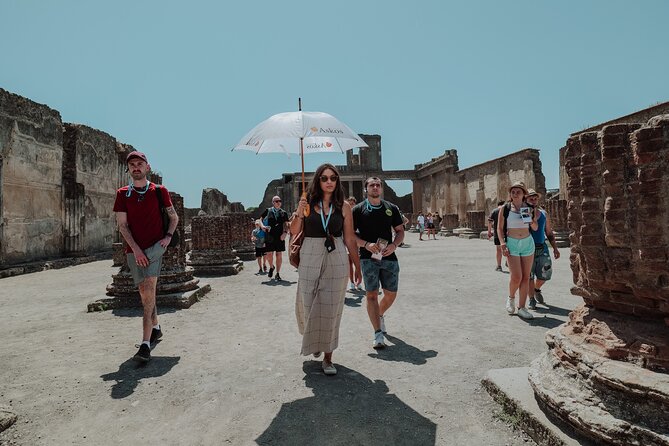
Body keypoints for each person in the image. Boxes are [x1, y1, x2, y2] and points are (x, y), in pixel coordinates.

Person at [291, 164, 361, 376]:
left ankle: (328, 357)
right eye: (324, 178)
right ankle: (315, 340)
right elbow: (294, 231)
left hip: (337, 253)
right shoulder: (307, 204)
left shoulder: (345, 207)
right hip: (310, 252)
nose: (329, 181)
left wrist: (357, 265)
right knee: (309, 302)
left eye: (332, 178)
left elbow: (349, 238)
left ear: (337, 181)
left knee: (331, 307)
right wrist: (299, 212)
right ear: (318, 181)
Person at [113, 151, 178, 362]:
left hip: (155, 247)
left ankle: (144, 344)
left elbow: (173, 217)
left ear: (147, 167)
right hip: (134, 250)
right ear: (129, 169)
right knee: (144, 293)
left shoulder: (159, 191)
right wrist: (136, 250)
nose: (136, 167)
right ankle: (156, 327)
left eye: (140, 164)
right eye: (132, 165)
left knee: (149, 290)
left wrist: (168, 236)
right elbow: (122, 225)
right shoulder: (123, 194)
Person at [352, 177, 405, 349]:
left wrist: (394, 245)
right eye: (371, 185)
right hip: (368, 258)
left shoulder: (391, 208)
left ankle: (379, 314)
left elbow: (399, 231)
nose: (375, 187)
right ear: (365, 189)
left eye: (378, 185)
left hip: (388, 257)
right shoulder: (358, 210)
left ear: (381, 188)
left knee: (391, 294)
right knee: (371, 295)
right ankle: (377, 333)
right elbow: (351, 235)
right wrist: (366, 245)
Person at [497, 182, 539, 320]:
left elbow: (535, 228)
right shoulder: (506, 208)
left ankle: (522, 308)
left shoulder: (529, 208)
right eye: (513, 191)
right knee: (516, 277)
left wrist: (531, 220)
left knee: (526, 277)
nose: (515, 194)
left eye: (518, 192)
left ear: (523, 194)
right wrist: (503, 243)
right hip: (512, 243)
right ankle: (511, 298)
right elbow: (499, 228)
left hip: (527, 243)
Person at [525, 189, 560, 309]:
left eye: (535, 198)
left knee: (545, 274)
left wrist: (555, 248)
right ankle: (531, 299)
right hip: (528, 248)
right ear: (526, 200)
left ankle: (536, 289)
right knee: (529, 276)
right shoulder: (524, 213)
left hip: (542, 247)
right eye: (531, 199)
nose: (533, 201)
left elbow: (549, 232)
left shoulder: (544, 214)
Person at [261, 195, 290, 281]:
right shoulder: (268, 211)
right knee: (269, 255)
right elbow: (260, 219)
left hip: (280, 236)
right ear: (273, 203)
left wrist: (285, 233)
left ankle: (277, 273)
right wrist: (262, 226)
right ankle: (271, 267)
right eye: (276, 201)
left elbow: (287, 224)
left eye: (280, 201)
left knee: (279, 255)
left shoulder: (283, 213)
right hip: (269, 236)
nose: (278, 202)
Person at [346, 196, 362, 292]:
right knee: (349, 263)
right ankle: (351, 283)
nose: (351, 205)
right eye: (350, 203)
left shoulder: (359, 214)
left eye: (353, 203)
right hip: (347, 241)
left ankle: (358, 282)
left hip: (357, 240)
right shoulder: (344, 214)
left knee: (358, 263)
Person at [487, 200, 507, 272]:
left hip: (497, 233)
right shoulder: (507, 210)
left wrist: (489, 232)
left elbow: (489, 222)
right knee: (509, 248)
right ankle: (508, 261)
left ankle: (499, 266)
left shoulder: (494, 211)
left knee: (499, 250)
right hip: (508, 233)